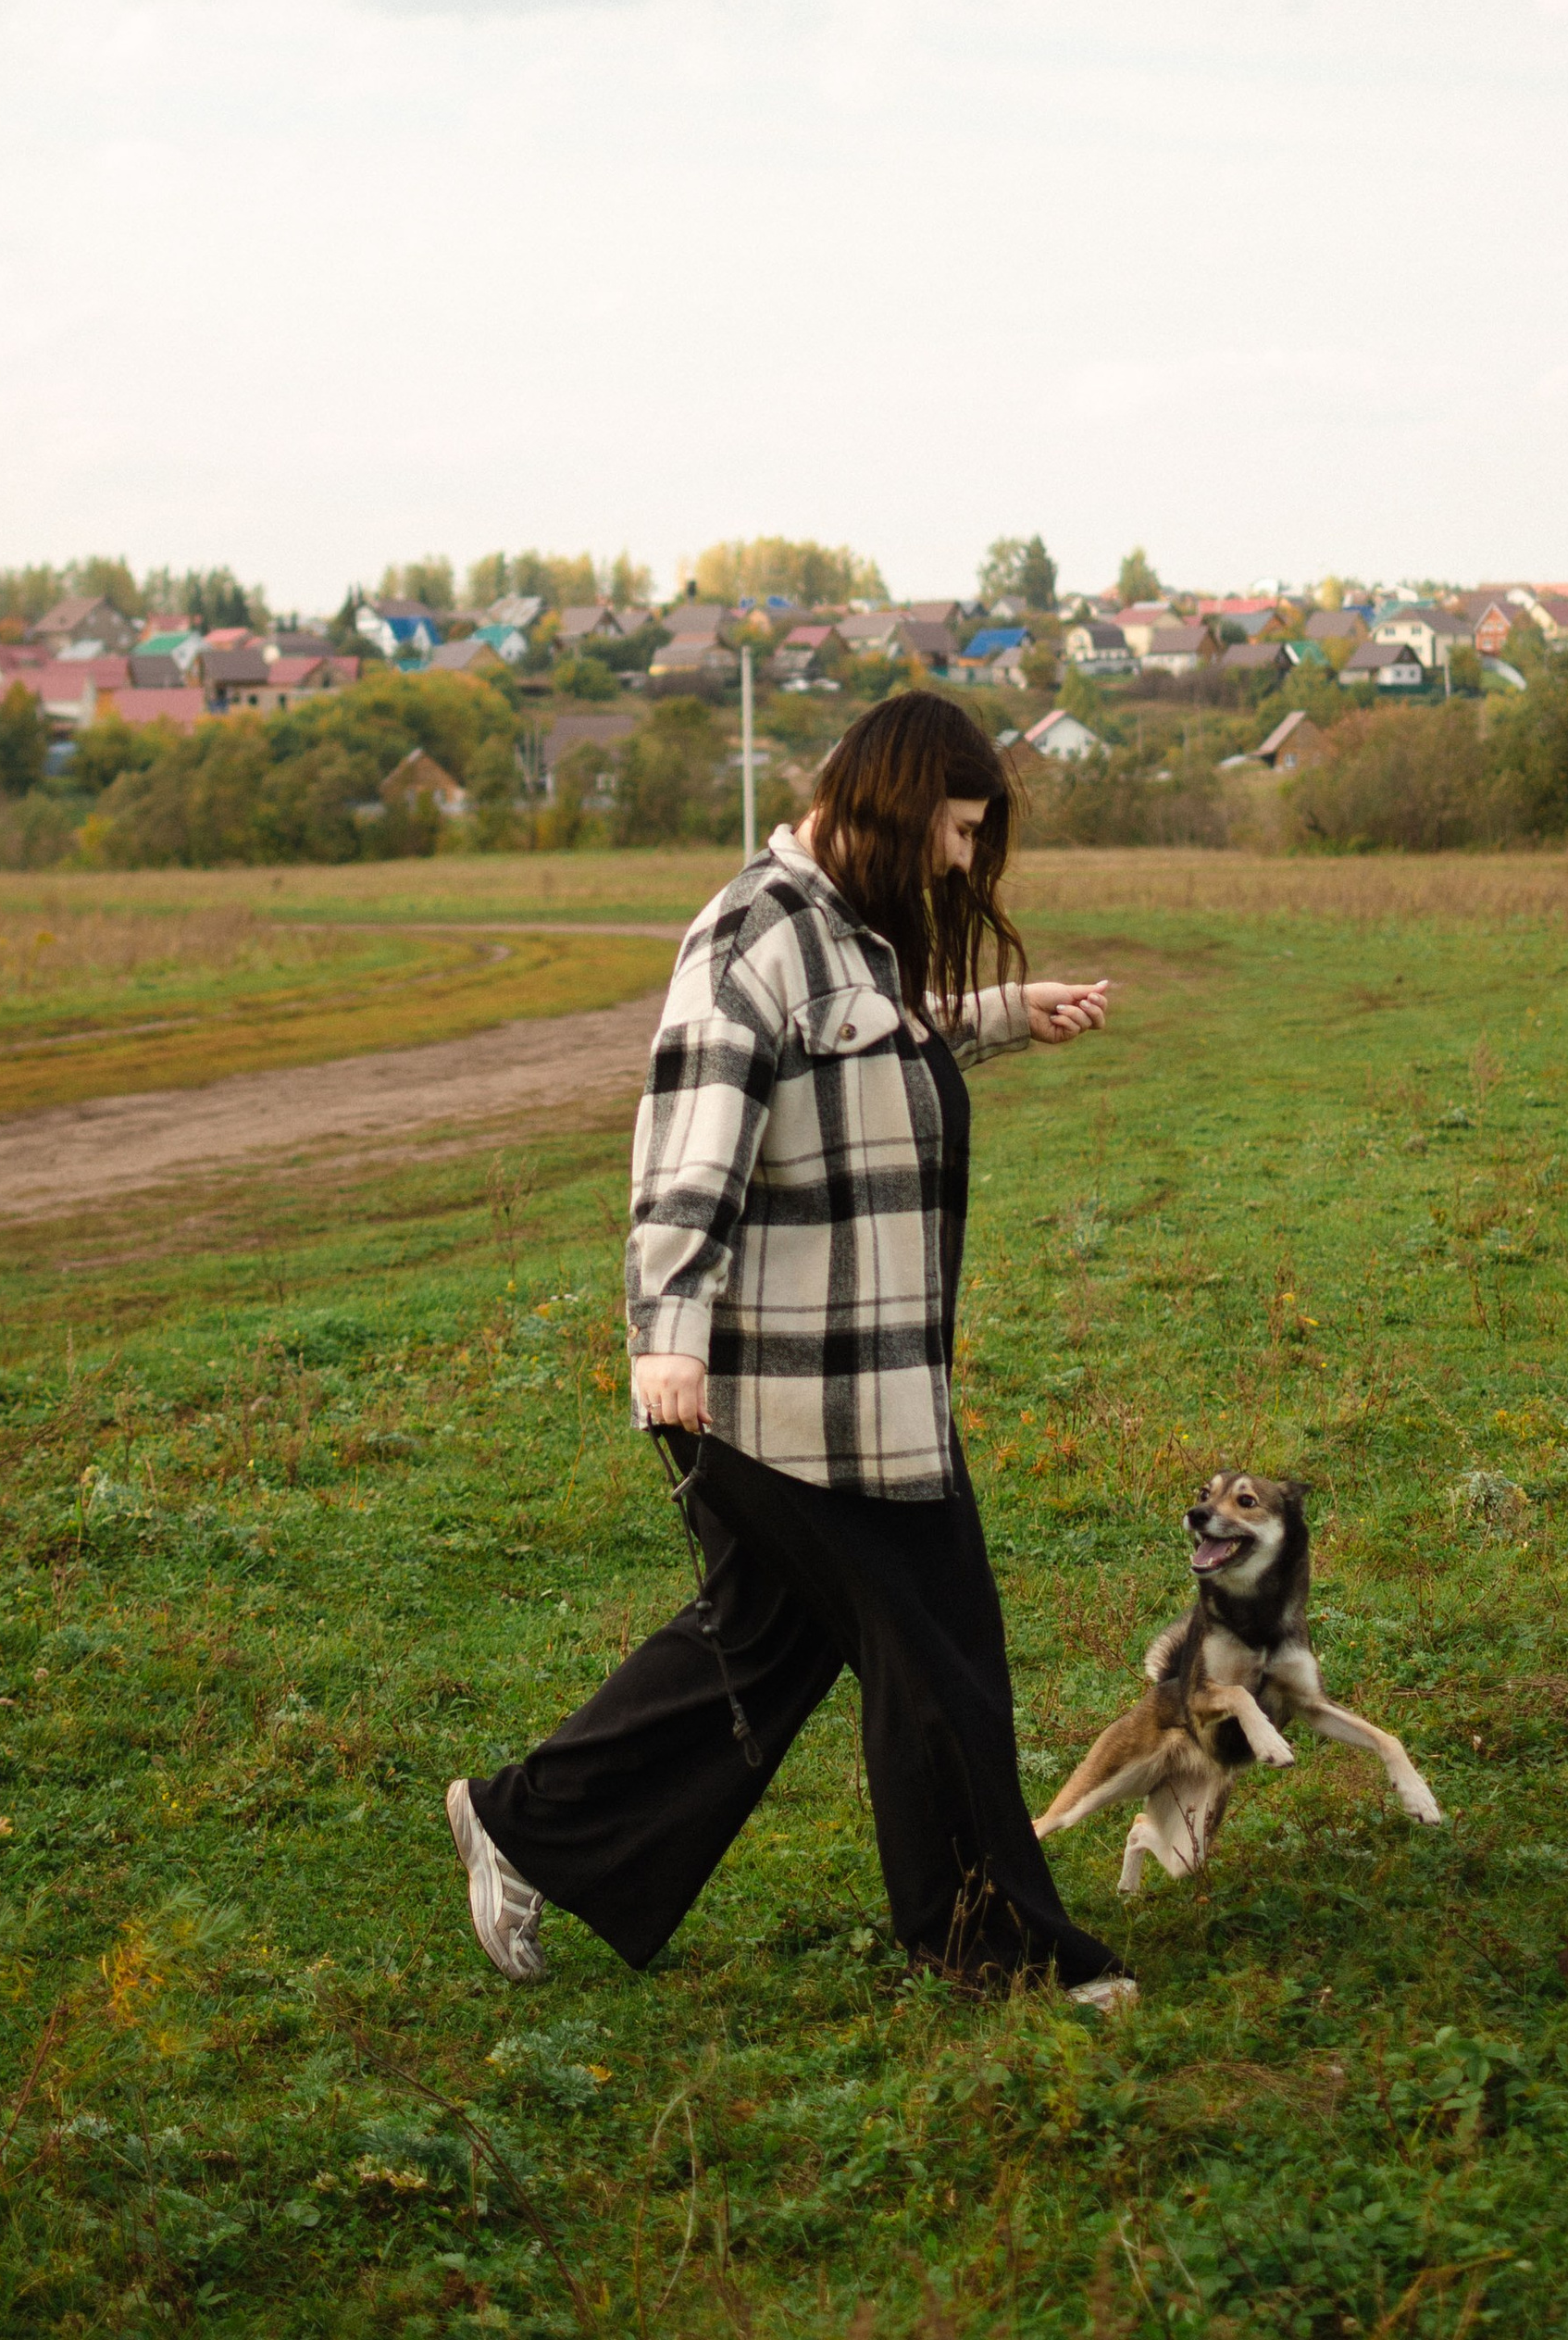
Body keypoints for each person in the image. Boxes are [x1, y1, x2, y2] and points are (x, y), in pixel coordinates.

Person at [446, 689, 1133, 2007]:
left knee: (756, 1650)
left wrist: (1007, 1010)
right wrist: (667, 1339)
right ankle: (992, 1946)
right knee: (938, 1658)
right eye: (952, 831)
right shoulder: (748, 935)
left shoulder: (850, 933)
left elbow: (869, 1056)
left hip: (865, 1385)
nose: (956, 862)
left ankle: (529, 1828)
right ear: (888, 802)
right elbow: (685, 1159)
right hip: (784, 1394)